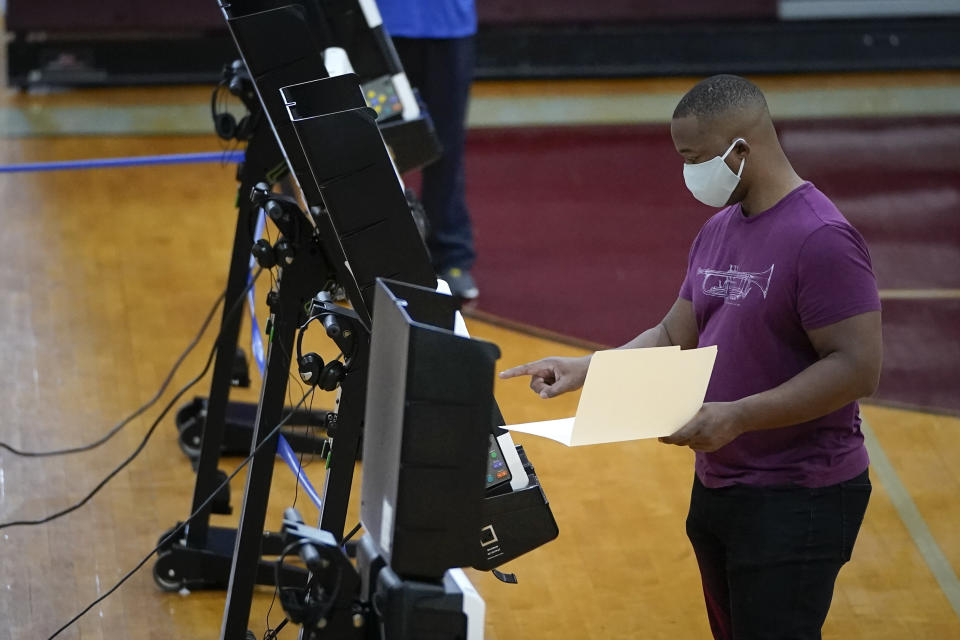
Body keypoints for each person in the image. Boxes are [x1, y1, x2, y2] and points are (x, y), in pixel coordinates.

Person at [500, 74, 883, 640]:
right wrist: (590, 368)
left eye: (695, 158)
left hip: (799, 495)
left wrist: (738, 415)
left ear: (742, 149)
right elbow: (672, 332)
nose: (688, 175)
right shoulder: (718, 230)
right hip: (721, 483)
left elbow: (858, 368)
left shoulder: (821, 238)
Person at [378, 0, 480, 299]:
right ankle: (371, 255)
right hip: (380, 27)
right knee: (375, 144)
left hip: (448, 25)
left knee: (444, 145)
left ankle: (449, 256)